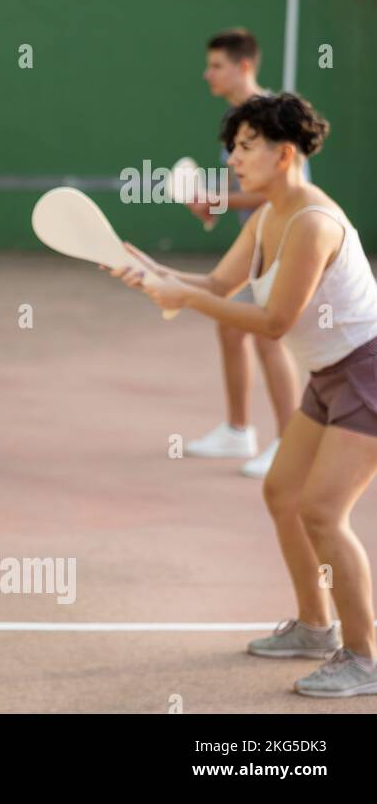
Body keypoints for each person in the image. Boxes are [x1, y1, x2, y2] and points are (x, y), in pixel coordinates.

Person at [114, 92, 377, 697]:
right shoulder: (265, 216)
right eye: (233, 146)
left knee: (323, 511)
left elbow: (274, 323)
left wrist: (182, 299)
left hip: (365, 373)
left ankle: (363, 656)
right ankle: (316, 628)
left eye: (247, 147)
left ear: (285, 155)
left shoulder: (312, 223)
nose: (233, 158)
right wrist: (152, 271)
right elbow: (214, 283)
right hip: (329, 373)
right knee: (282, 491)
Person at [181, 29, 305, 479]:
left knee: (268, 339)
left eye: (216, 65)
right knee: (231, 329)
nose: (207, 73)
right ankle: (238, 430)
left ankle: (289, 444)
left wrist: (217, 200)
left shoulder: (274, 117)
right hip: (253, 243)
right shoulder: (238, 120)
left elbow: (285, 190)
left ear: (244, 66)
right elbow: (242, 188)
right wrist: (212, 206)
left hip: (282, 242)